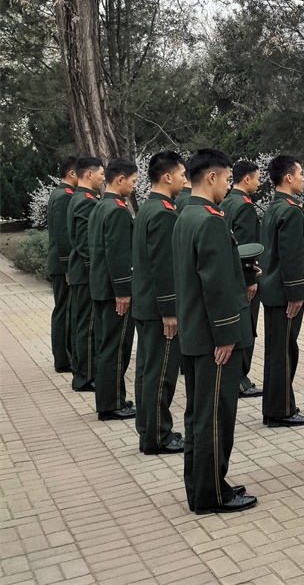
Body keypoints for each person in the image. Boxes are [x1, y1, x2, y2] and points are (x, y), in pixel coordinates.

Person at [172, 148, 257, 514]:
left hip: (196, 333)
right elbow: (215, 284)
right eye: (225, 179)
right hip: (213, 338)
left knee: (200, 414)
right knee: (215, 418)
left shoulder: (186, 214)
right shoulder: (208, 220)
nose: (227, 186)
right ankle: (212, 494)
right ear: (211, 177)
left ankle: (203, 486)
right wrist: (226, 335)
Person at [132, 151, 186, 454]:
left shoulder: (148, 207)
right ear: (167, 177)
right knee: (160, 374)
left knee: (147, 372)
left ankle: (148, 430)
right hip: (158, 309)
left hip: (145, 305)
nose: (184, 180)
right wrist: (170, 311)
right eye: (181, 175)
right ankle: (158, 436)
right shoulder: (164, 213)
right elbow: (163, 268)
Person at [259, 155, 304, 428]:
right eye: (300, 173)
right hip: (284, 293)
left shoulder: (274, 207)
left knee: (277, 350)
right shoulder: (290, 210)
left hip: (273, 289)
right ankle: (281, 410)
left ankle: (274, 407)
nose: (303, 178)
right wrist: (295, 293)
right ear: (288, 177)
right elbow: (290, 255)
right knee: (284, 352)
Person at [88, 159, 138, 420]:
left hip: (101, 288)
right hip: (114, 291)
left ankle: (111, 398)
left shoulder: (101, 206)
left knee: (106, 345)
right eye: (133, 181)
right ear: (120, 179)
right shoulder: (117, 210)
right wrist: (123, 291)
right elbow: (118, 255)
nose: (134, 186)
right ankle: (111, 404)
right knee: (116, 348)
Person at [220, 160, 263, 399]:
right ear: (247, 179)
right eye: (257, 178)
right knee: (246, 329)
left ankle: (235, 378)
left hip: (230, 275)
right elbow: (247, 247)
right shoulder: (244, 206)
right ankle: (240, 380)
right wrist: (250, 279)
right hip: (243, 278)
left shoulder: (227, 201)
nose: (258, 183)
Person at [66, 156, 105, 393]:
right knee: (88, 326)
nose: (103, 178)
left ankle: (84, 373)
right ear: (89, 174)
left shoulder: (82, 197)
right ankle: (85, 377)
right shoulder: (85, 201)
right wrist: (95, 270)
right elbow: (84, 242)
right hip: (86, 273)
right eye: (101, 173)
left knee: (85, 324)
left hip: (83, 271)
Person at [46, 156, 79, 374]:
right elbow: (63, 234)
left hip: (61, 263)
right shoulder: (64, 196)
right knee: (65, 310)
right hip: (62, 264)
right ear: (72, 173)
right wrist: (68, 266)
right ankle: (63, 358)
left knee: (66, 308)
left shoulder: (62, 194)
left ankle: (66, 355)